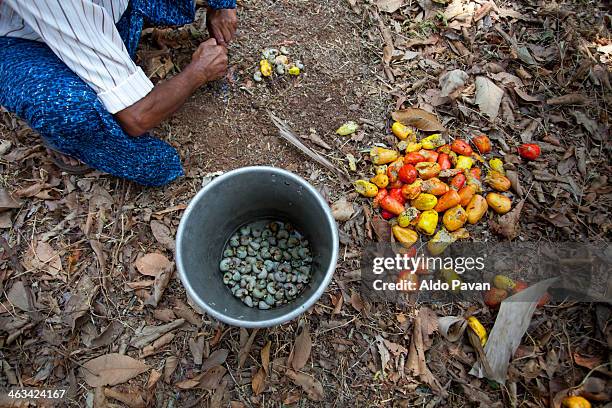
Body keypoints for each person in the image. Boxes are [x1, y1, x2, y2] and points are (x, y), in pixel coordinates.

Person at [0, 0, 237, 186]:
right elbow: (138, 116)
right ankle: (69, 140)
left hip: (97, 12)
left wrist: (222, 5)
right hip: (25, 40)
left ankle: (119, 40)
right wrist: (198, 72)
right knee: (68, 109)